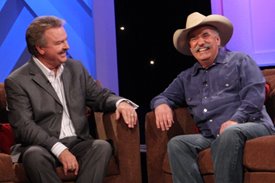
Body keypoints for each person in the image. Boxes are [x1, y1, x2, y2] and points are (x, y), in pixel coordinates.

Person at [4, 15, 138, 183]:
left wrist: (121, 103)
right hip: (42, 146)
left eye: (65, 40)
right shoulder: (17, 81)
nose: (67, 46)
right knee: (34, 156)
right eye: (59, 43)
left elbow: (99, 96)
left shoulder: (76, 68)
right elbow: (24, 127)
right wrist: (59, 149)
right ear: (40, 48)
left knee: (102, 147)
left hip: (78, 142)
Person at [150, 12, 275, 183]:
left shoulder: (240, 60)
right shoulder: (187, 77)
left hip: (252, 126)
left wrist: (236, 120)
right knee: (177, 144)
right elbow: (163, 96)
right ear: (190, 47)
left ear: (218, 40)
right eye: (194, 39)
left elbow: (255, 95)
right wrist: (162, 104)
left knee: (230, 133)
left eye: (205, 35)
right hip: (212, 136)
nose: (200, 42)